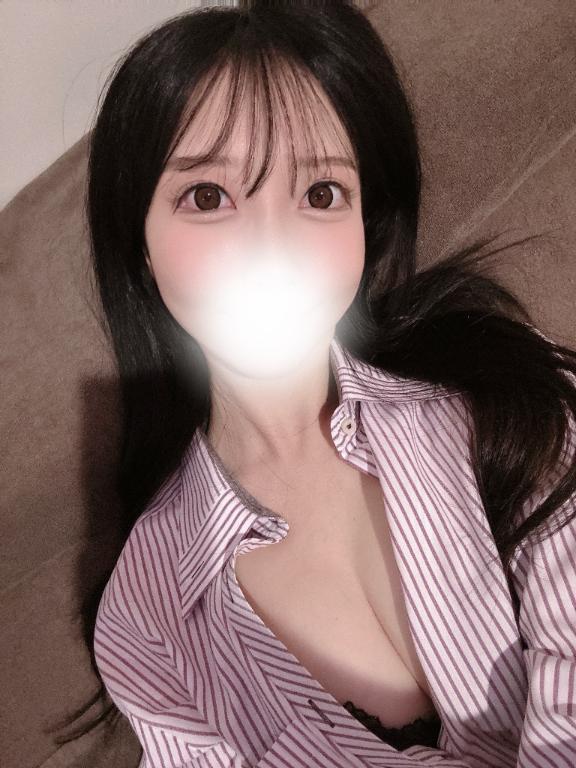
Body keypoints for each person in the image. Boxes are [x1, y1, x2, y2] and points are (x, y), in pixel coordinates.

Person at [58, 1, 576, 765]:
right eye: (208, 196)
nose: (272, 248)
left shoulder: (508, 389)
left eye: (321, 193)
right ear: (140, 245)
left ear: (368, 224)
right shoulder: (148, 618)